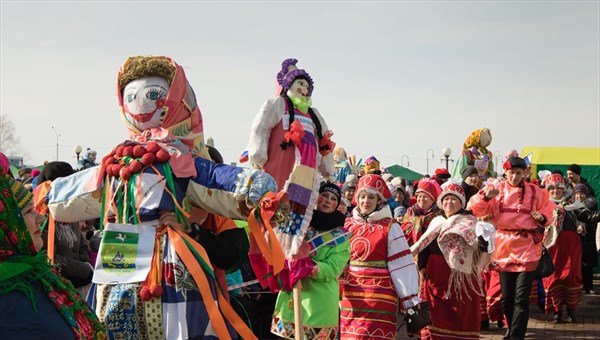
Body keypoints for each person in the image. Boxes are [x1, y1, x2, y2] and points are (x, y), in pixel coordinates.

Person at [39, 56, 279, 339]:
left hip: (170, 253)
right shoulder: (118, 162)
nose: (141, 104)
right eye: (132, 96)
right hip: (123, 246)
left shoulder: (178, 160)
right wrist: (49, 194)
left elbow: (215, 178)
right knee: (116, 317)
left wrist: (254, 186)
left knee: (175, 321)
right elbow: (82, 187)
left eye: (154, 95)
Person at [0, 154, 105, 339]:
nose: (40, 218)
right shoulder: (9, 294)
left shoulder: (35, 271)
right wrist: (84, 269)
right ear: (7, 225)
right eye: (29, 212)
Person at [244, 58, 336, 257]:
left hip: (306, 173)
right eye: (299, 83)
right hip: (281, 167)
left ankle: (290, 250)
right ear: (288, 85)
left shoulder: (314, 115)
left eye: (306, 85)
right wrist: (258, 153)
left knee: (298, 211)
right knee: (275, 205)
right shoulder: (279, 104)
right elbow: (261, 127)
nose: (303, 87)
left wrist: (328, 168)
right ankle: (265, 252)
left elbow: (324, 142)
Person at [469, 156, 555, 339]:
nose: (515, 177)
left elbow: (549, 208)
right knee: (507, 298)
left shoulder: (535, 191)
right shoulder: (496, 189)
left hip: (527, 247)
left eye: (518, 173)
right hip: (504, 246)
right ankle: (511, 329)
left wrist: (542, 217)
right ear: (505, 172)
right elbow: (475, 208)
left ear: (524, 173)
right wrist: (485, 197)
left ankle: (516, 336)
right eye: (511, 173)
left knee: (521, 297)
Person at [340, 174, 421, 339]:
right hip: (352, 294)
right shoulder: (347, 225)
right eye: (362, 197)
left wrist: (409, 298)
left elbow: (402, 264)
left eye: (371, 197)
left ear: (379, 201)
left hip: (380, 295)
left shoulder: (390, 226)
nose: (366, 201)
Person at [268, 182, 350, 339]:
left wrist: (309, 266)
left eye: (333, 198)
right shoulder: (298, 221)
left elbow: (333, 269)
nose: (327, 200)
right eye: (324, 195)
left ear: (337, 205)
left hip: (319, 302)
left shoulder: (341, 237)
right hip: (291, 297)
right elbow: (277, 234)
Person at [411, 183, 493, 339]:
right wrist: (422, 267)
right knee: (435, 312)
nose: (449, 202)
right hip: (435, 273)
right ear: (441, 202)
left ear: (462, 202)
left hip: (461, 277)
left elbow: (480, 248)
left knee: (461, 313)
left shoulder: (470, 222)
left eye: (454, 199)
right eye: (446, 199)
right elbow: (424, 244)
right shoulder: (435, 221)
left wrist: (483, 243)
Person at [542, 174, 600, 323]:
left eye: (559, 188)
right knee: (553, 278)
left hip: (571, 247)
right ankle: (557, 311)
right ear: (548, 190)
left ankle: (571, 310)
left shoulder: (572, 205)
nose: (556, 191)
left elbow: (590, 216)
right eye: (552, 188)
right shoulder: (543, 206)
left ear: (564, 189)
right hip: (553, 246)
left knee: (571, 277)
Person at [36, 162, 94, 291]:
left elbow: (82, 246)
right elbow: (49, 257)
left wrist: (86, 263)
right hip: (56, 287)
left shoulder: (68, 213)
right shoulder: (41, 219)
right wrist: (82, 269)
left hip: (80, 284)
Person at [572, 184, 599, 294]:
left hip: (588, 239)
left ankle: (589, 286)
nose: (579, 196)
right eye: (577, 194)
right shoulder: (571, 206)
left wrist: (584, 227)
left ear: (586, 195)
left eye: (581, 194)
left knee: (588, 265)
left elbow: (593, 221)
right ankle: (581, 286)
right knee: (579, 264)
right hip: (576, 239)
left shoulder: (592, 206)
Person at [401, 179, 442, 246]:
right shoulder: (410, 212)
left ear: (433, 199)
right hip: (410, 250)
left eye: (425, 197)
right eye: (419, 196)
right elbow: (403, 229)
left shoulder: (439, 215)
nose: (421, 199)